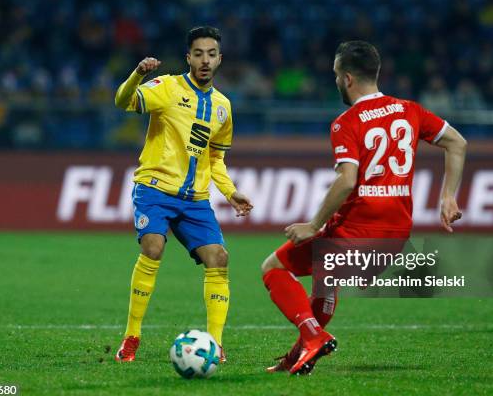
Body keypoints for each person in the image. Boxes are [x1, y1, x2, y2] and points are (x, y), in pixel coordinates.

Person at [261, 40, 467, 375]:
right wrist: (449, 196)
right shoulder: (410, 110)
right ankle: (300, 354)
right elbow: (457, 143)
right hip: (395, 238)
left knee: (273, 268)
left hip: (357, 231)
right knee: (326, 282)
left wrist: (312, 225)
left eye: (335, 75)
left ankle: (313, 337)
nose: (336, 81)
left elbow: (346, 181)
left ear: (347, 78)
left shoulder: (347, 122)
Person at [113, 26, 253, 362]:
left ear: (220, 59)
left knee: (219, 258)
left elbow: (215, 158)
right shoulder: (168, 87)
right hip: (155, 189)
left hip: (195, 200)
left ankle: (215, 345)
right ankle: (132, 336)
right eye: (199, 53)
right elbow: (123, 101)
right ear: (188, 57)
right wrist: (138, 75)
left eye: (212, 54)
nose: (205, 60)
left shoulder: (223, 107)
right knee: (153, 246)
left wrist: (231, 192)